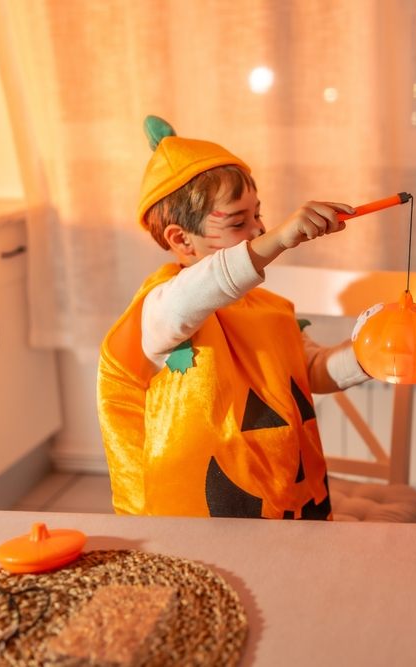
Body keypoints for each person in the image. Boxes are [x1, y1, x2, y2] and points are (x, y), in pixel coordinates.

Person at [97, 116, 369, 519]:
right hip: (192, 528)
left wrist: (369, 353)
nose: (259, 228)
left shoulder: (269, 311)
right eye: (239, 222)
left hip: (288, 505)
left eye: (257, 215)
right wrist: (277, 239)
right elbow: (197, 293)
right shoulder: (160, 313)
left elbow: (309, 369)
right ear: (179, 239)